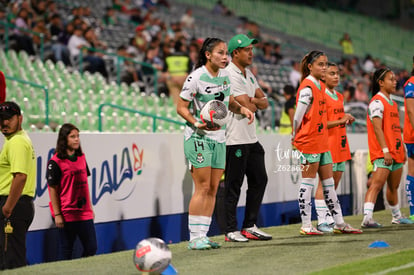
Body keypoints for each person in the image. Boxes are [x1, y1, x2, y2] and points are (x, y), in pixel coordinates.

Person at [176, 37, 254, 250]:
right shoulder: (196, 77)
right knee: (201, 187)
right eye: (220, 53)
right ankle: (194, 238)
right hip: (198, 137)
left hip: (220, 137)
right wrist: (196, 123)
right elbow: (181, 107)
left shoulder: (225, 77)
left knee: (212, 187)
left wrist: (243, 109)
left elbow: (228, 103)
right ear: (208, 55)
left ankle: (203, 234)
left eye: (226, 53)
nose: (225, 57)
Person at [292, 51, 361, 235]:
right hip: (309, 141)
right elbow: (297, 116)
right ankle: (306, 225)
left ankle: (339, 222)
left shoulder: (320, 87)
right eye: (321, 64)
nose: (324, 67)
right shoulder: (307, 87)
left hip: (322, 142)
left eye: (325, 64)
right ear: (310, 66)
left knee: (329, 184)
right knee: (307, 183)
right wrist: (294, 136)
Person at [223, 34, 271, 242]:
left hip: (250, 138)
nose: (252, 53)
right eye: (247, 50)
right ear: (236, 53)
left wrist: (251, 100)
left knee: (260, 179)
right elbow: (247, 106)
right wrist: (252, 101)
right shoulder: (229, 74)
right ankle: (230, 230)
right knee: (234, 185)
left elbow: (264, 102)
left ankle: (249, 225)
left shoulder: (248, 73)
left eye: (252, 49)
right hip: (235, 138)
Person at [362, 68, 413, 227]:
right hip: (384, 153)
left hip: (396, 151)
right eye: (391, 79)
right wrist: (385, 151)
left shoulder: (392, 102)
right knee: (376, 184)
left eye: (395, 79)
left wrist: (402, 149)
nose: (395, 81)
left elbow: (395, 130)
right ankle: (367, 218)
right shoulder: (377, 102)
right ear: (381, 83)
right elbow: (377, 128)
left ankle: (396, 216)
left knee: (394, 186)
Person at [313, 62, 357, 233]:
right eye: (332, 73)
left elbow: (338, 118)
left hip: (341, 143)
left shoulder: (339, 96)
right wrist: (340, 120)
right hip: (327, 144)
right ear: (323, 76)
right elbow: (320, 123)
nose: (336, 76)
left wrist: (345, 117)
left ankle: (331, 218)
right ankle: (321, 220)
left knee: (333, 185)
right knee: (323, 185)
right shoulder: (320, 95)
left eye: (337, 73)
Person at [46, 123, 97, 259]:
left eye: (78, 136)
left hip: (84, 212)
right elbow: (52, 189)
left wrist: (90, 208)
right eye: (72, 136)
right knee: (66, 250)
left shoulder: (81, 157)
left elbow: (85, 185)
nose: (76, 139)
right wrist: (57, 214)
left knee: (92, 247)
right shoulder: (55, 161)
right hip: (66, 213)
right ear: (64, 139)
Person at [0, 101, 36, 270]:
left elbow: (20, 176)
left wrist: (7, 207)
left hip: (13, 205)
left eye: (9, 118)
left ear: (20, 118)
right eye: (1, 119)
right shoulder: (18, 140)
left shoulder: (16, 142)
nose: (4, 123)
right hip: (19, 204)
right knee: (11, 256)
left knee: (10, 261)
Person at [403, 56, 414, 220]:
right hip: (413, 136)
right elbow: (411, 111)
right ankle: (413, 212)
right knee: (412, 171)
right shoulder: (411, 84)